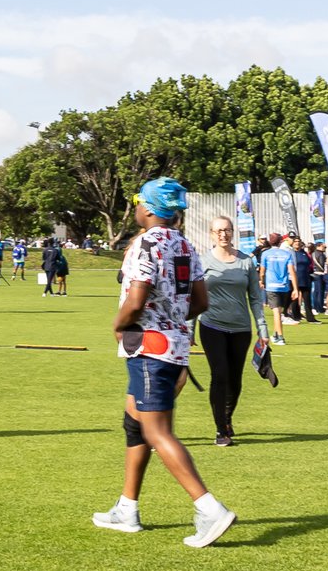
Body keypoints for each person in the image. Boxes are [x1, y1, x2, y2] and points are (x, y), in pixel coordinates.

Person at [91, 179, 236, 545]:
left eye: (138, 201)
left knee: (157, 431)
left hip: (148, 348)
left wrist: (119, 324)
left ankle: (209, 508)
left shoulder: (145, 242)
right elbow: (201, 302)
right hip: (175, 346)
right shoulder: (186, 244)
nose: (136, 207)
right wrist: (172, 318)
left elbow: (137, 299)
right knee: (134, 423)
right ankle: (127, 508)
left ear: (150, 208)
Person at [195, 214, 267, 447]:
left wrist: (263, 329)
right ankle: (220, 430)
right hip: (211, 325)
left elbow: (256, 298)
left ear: (233, 232)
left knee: (235, 381)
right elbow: (194, 298)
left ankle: (226, 419)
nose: (223, 234)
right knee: (220, 375)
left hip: (240, 328)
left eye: (227, 230)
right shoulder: (203, 261)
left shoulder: (246, 261)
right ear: (211, 234)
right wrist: (187, 330)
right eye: (218, 231)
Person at [258, 234, 294, 344]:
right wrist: (295, 288)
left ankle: (280, 337)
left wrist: (261, 281)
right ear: (280, 242)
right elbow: (292, 272)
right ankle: (275, 334)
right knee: (279, 312)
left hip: (272, 286)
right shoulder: (287, 254)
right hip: (284, 286)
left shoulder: (265, 254)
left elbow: (262, 271)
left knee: (276, 313)